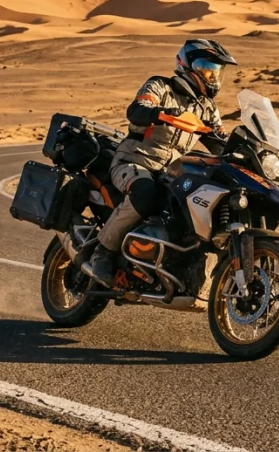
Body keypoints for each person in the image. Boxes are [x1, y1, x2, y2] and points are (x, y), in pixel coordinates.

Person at [82, 39, 236, 288]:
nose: (213, 76)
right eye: (208, 69)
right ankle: (103, 251)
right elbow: (137, 110)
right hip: (134, 161)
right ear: (188, 65)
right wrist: (163, 114)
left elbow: (220, 142)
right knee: (145, 193)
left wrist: (240, 150)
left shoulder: (207, 108)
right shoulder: (160, 86)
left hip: (171, 171)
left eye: (217, 71)